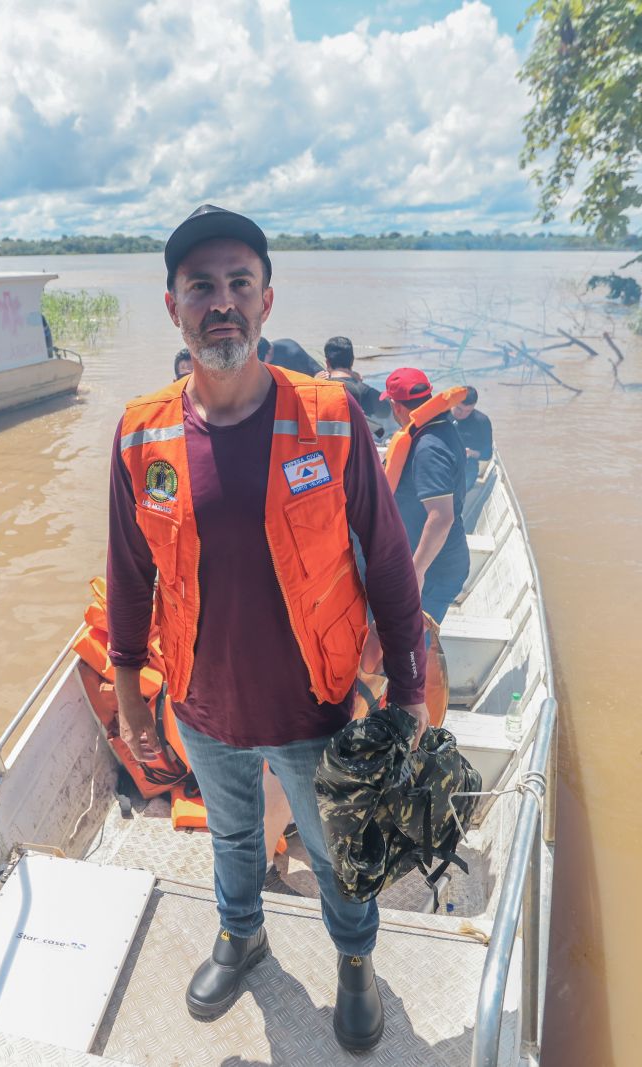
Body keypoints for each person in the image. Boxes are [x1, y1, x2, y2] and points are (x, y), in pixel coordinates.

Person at [108, 204, 428, 1052]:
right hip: (203, 703)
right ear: (172, 305)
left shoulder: (331, 417)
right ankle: (241, 933)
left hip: (315, 706)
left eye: (238, 284)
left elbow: (391, 564)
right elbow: (130, 570)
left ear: (267, 302)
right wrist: (134, 693)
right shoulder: (142, 433)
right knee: (234, 834)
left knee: (335, 850)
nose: (222, 302)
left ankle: (355, 962)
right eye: (201, 286)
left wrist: (409, 688)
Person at [382, 368, 470, 624]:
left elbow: (441, 517)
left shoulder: (428, 448)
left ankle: (414, 663)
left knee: (414, 641)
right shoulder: (439, 427)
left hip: (434, 567)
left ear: (395, 406)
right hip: (432, 558)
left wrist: (416, 573)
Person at [315, 335, 389, 421]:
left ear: (327, 363)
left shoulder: (319, 390)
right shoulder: (365, 391)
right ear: (352, 360)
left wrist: (313, 384)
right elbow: (385, 413)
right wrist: (360, 384)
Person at [450, 384, 493, 490]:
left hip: (467, 466)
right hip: (438, 461)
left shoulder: (482, 422)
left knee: (459, 490)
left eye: (468, 411)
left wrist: (471, 453)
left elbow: (488, 454)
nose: (462, 414)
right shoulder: (440, 414)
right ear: (453, 402)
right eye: (459, 409)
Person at [258, 335, 324, 376]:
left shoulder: (293, 353)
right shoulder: (263, 349)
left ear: (269, 352)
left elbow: (316, 372)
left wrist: (317, 378)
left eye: (261, 359)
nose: (261, 363)